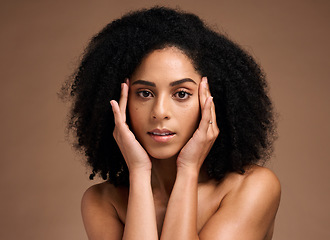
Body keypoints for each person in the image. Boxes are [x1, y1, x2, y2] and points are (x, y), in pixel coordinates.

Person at [61, 6, 281, 240]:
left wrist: (188, 170)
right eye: (145, 93)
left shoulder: (253, 188)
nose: (160, 112)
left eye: (182, 94)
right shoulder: (103, 202)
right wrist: (139, 173)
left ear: (212, 101)